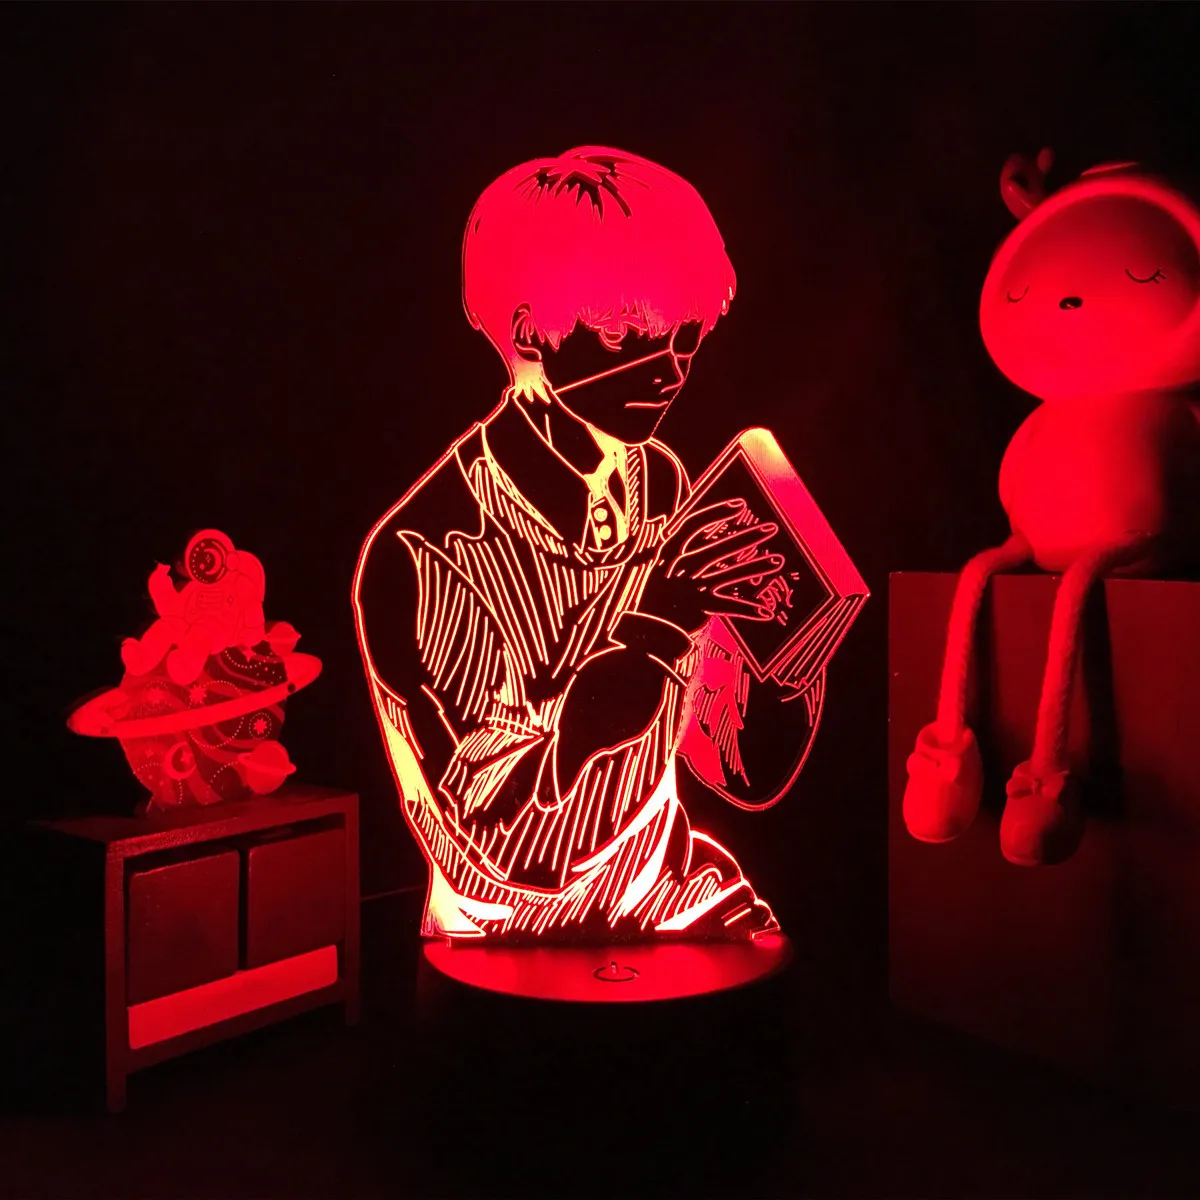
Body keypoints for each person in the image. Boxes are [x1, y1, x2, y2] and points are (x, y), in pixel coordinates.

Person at [353, 147, 821, 940]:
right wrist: (659, 624)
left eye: (686, 336)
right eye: (621, 335)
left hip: (675, 895)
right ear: (529, 334)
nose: (670, 371)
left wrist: (785, 642)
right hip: (505, 932)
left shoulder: (658, 482)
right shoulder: (426, 554)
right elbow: (513, 840)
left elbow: (736, 767)